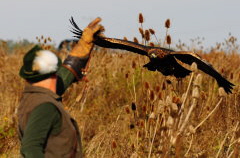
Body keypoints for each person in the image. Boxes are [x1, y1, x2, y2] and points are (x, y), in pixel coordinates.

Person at [17, 17, 104, 158]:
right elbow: (30, 148)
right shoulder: (44, 106)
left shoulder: (36, 96)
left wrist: (84, 44)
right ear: (53, 72)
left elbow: (63, 77)